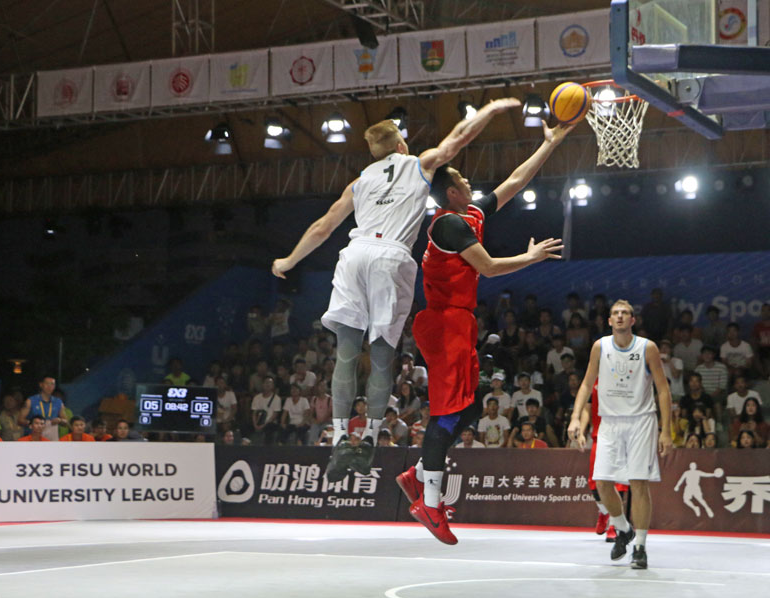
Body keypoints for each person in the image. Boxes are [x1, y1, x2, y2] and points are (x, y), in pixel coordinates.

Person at [272, 98, 525, 480]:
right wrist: (487, 111)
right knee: (381, 355)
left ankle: (340, 439)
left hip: (354, 254)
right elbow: (457, 140)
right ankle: (369, 441)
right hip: (391, 258)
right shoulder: (417, 164)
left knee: (345, 353)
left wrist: (289, 261)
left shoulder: (359, 182)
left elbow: (323, 227)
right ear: (401, 145)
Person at [395, 119, 572, 545]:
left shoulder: (470, 214)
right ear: (451, 193)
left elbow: (515, 182)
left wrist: (550, 144)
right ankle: (430, 504)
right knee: (447, 413)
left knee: (471, 407)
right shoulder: (447, 224)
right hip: (443, 322)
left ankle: (417, 474)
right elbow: (489, 268)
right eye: (462, 180)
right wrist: (531, 257)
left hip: (459, 321)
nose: (470, 182)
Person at [568, 300, 673, 570]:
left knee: (639, 483)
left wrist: (666, 431)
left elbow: (663, 390)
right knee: (602, 483)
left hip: (641, 421)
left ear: (633, 320)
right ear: (609, 320)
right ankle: (623, 528)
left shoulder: (647, 348)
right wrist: (575, 417)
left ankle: (640, 546)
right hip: (610, 422)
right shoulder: (600, 347)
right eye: (615, 313)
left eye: (625, 313)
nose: (620, 317)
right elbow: (586, 384)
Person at [576, 380, 631, 543]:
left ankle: (614, 525)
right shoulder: (594, 381)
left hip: (622, 437)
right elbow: (587, 408)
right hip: (600, 437)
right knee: (595, 483)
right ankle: (604, 511)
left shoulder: (624, 379)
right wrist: (582, 431)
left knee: (619, 483)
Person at [18, 375, 68, 442]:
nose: (49, 386)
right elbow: (19, 420)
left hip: (51, 435)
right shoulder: (31, 401)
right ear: (41, 385)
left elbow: (66, 422)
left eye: (52, 384)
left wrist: (60, 420)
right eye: (47, 383)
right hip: (33, 438)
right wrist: (33, 423)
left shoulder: (58, 402)